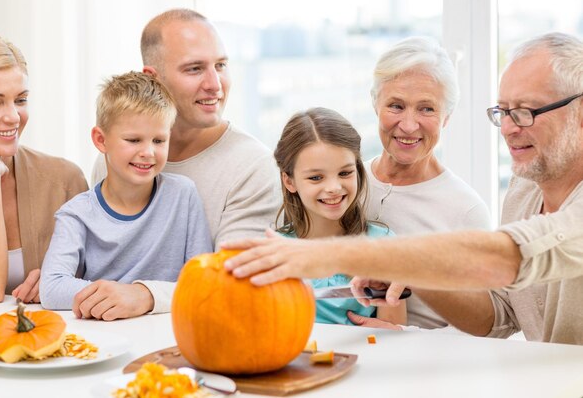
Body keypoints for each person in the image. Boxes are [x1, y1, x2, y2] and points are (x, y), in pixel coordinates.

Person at [222, 32, 583, 346]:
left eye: (527, 111)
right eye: (503, 112)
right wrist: (413, 274)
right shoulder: (523, 190)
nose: (507, 128)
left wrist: (328, 256)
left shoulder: (471, 208)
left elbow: (512, 256)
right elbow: (500, 316)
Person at [91, 8, 281, 249]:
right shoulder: (116, 158)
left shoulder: (254, 167)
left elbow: (232, 278)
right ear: (153, 78)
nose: (215, 85)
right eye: (195, 68)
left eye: (220, 65)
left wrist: (144, 289)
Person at [40, 72, 212, 320]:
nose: (148, 152)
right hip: (103, 333)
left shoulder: (183, 195)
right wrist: (116, 296)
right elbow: (52, 288)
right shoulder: (76, 213)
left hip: (168, 332)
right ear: (101, 140)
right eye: (133, 140)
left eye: (159, 140)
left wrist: (140, 295)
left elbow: (204, 283)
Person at [356, 36, 491, 329]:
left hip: (426, 368)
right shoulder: (345, 187)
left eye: (426, 109)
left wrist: (401, 335)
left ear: (447, 117)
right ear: (375, 103)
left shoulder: (465, 211)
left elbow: (485, 330)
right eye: (396, 105)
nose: (408, 125)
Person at [0, 30, 87, 303]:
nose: (14, 117)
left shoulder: (65, 182)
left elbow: (101, 276)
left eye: (21, 100)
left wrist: (61, 284)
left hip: (55, 341)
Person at [273, 107, 405, 327]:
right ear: (289, 181)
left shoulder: (384, 245)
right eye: (316, 177)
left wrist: (389, 333)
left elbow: (393, 331)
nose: (334, 188)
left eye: (345, 173)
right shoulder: (275, 250)